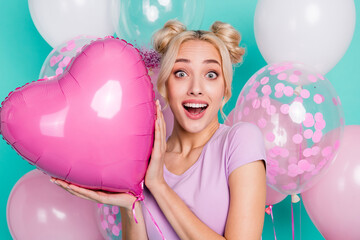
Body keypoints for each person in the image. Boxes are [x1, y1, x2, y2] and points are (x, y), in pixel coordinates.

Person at [52, 20, 267, 240]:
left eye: (210, 74)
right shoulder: (142, 159)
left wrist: (159, 186)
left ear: (225, 88)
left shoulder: (240, 141)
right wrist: (130, 205)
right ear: (165, 85)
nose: (196, 89)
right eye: (181, 73)